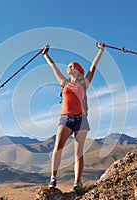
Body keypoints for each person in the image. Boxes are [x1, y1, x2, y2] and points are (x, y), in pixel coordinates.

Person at [41, 42, 105, 191]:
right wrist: (45, 54)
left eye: (72, 66)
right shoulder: (64, 83)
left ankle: (77, 183)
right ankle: (53, 178)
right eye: (68, 66)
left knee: (78, 152)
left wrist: (100, 51)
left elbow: (93, 68)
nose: (68, 67)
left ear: (78, 70)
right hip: (66, 118)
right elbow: (53, 67)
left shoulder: (84, 84)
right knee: (58, 147)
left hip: (81, 119)